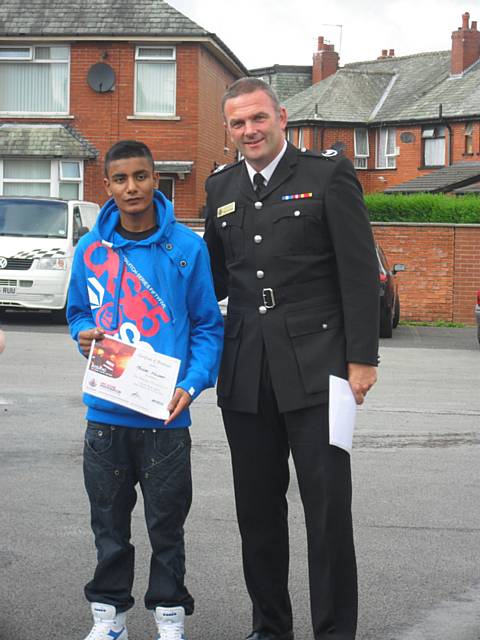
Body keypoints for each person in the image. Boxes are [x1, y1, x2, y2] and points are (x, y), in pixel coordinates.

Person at [203, 78, 380, 640]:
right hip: (246, 371)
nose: (249, 131)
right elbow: (208, 279)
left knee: (327, 513)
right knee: (257, 513)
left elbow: (358, 274)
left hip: (320, 368)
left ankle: (334, 632)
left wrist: (362, 359)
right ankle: (270, 627)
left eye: (258, 119)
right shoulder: (220, 187)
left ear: (281, 116)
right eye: (238, 123)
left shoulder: (327, 175)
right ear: (228, 130)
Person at [67, 140, 223, 640]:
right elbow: (76, 314)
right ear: (106, 186)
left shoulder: (187, 248)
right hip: (105, 418)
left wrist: (194, 383)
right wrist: (82, 334)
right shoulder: (90, 250)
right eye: (120, 179)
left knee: (166, 529)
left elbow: (207, 325)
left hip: (165, 420)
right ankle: (109, 621)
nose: (131, 187)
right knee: (108, 529)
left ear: (157, 180)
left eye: (140, 176)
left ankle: (169, 618)